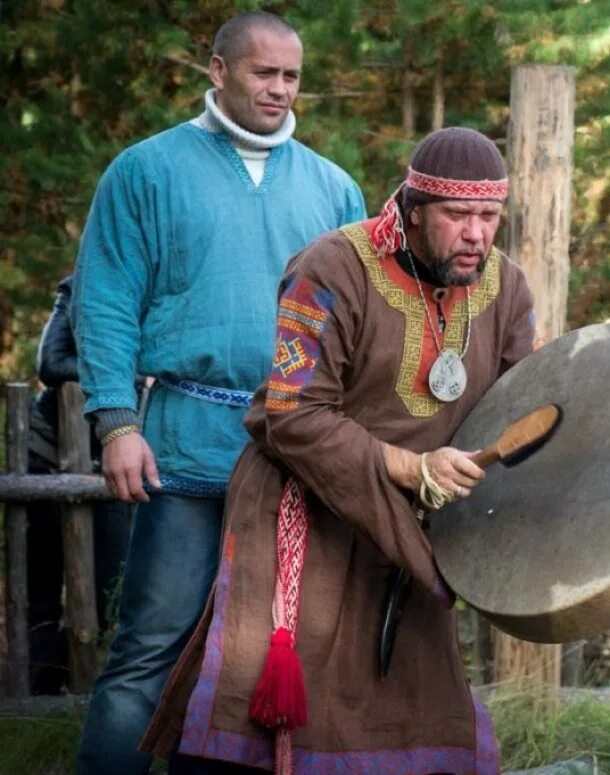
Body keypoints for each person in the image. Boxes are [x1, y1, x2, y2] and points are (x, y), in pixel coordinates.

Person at [140, 126, 535, 774]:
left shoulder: (506, 289)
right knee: (263, 715)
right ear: (411, 209)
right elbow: (292, 411)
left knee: (416, 708)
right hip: (306, 507)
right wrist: (408, 465)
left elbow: (518, 407)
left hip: (409, 530)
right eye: (457, 215)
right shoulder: (331, 267)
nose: (475, 234)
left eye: (488, 216)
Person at [70, 11, 366, 773]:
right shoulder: (145, 171)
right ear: (218, 69)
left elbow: (360, 328)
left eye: (291, 76)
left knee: (260, 659)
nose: (278, 88)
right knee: (149, 650)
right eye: (263, 72)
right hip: (182, 448)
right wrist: (115, 422)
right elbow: (104, 302)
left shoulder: (333, 188)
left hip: (294, 457)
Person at [26, 275, 135, 694]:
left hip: (116, 461)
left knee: (115, 582)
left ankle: (101, 692)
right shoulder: (79, 288)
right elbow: (51, 365)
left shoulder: (163, 293)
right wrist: (125, 373)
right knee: (44, 588)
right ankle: (39, 695)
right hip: (50, 455)